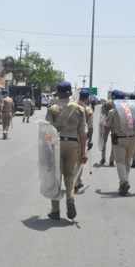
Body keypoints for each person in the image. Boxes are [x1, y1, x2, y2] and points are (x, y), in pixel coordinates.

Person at [45, 81, 88, 220]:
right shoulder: (79, 109)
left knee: (55, 177)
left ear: (58, 93)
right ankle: (70, 197)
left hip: (56, 143)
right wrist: (83, 153)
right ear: (70, 93)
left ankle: (55, 210)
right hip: (73, 144)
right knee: (69, 175)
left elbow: (47, 130)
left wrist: (46, 151)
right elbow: (83, 133)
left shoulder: (53, 108)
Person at [104, 90, 135, 196]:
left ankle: (124, 182)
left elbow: (107, 125)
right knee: (127, 161)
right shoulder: (133, 109)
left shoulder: (113, 111)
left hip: (119, 139)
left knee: (120, 162)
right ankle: (123, 182)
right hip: (133, 138)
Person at [75, 89, 94, 193]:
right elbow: (90, 127)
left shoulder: (72, 106)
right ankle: (76, 181)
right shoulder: (88, 110)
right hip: (82, 137)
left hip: (70, 136)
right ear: (87, 98)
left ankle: (76, 180)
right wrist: (90, 140)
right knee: (80, 159)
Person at [100, 90, 117, 166]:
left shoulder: (106, 102)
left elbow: (102, 113)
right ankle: (111, 160)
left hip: (106, 123)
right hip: (115, 124)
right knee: (114, 141)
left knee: (104, 141)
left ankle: (103, 158)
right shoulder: (118, 104)